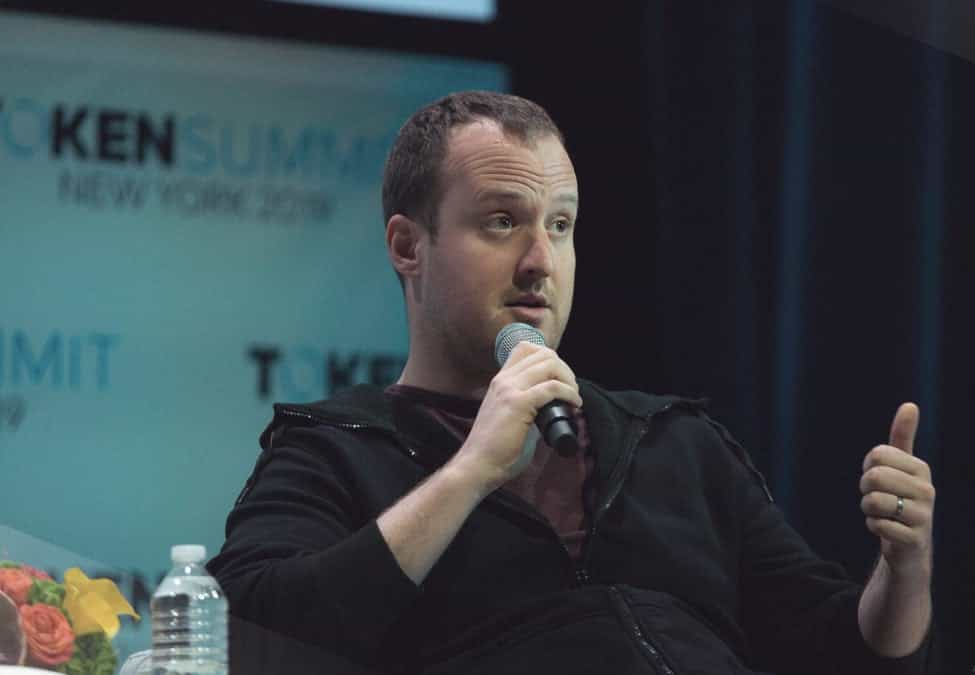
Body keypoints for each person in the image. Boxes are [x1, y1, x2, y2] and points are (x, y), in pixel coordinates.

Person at [208, 91, 937, 674]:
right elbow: (249, 640)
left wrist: (902, 571)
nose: (540, 261)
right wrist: (469, 472)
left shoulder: (675, 443)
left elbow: (844, 650)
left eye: (560, 225)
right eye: (502, 222)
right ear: (408, 245)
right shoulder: (336, 449)